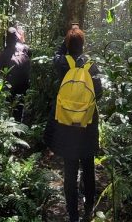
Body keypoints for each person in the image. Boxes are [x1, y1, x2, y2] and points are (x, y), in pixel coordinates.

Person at [49, 24, 102, 222]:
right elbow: (100, 93)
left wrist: (65, 42)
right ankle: (89, 208)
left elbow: (56, 54)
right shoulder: (91, 65)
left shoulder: (62, 63)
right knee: (88, 167)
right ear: (83, 44)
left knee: (70, 171)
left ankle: (73, 215)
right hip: (87, 125)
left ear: (67, 44)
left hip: (66, 125)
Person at [0, 25, 31, 121]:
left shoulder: (5, 53)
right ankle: (17, 128)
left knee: (7, 106)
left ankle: (7, 128)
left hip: (11, 86)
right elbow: (29, 54)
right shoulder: (25, 48)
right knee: (19, 107)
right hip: (24, 84)